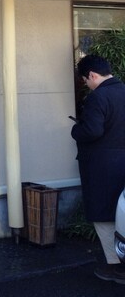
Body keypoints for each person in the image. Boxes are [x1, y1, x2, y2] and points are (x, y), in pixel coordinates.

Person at [71, 54, 125, 284]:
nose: (86, 84)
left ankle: (117, 266)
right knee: (122, 213)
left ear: (92, 75)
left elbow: (92, 131)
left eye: (85, 80)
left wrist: (76, 130)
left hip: (102, 167)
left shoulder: (98, 97)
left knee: (103, 215)